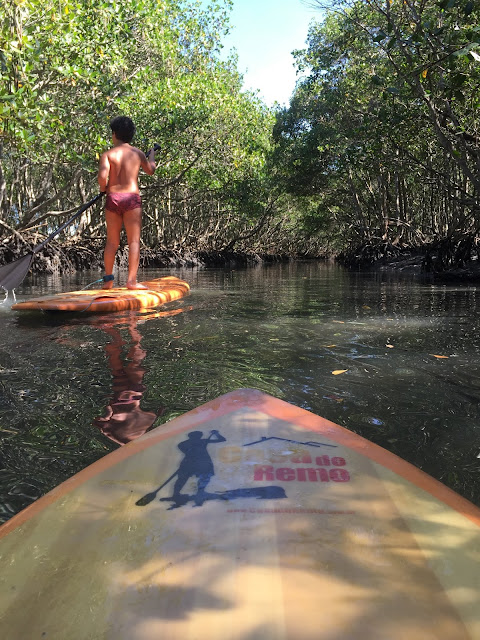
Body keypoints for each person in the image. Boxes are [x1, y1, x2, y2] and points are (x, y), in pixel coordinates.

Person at [97, 116, 157, 290]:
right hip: (131, 199)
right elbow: (151, 170)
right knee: (134, 242)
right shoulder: (138, 153)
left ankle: (108, 281)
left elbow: (102, 177)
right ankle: (131, 281)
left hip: (113, 198)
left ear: (114, 134)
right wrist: (151, 154)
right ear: (131, 135)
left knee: (111, 243)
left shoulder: (107, 155)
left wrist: (103, 189)